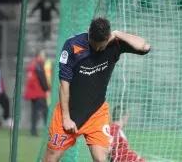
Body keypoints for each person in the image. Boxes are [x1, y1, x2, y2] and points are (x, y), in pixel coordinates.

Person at [42, 17, 151, 162]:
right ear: (88, 33)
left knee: (101, 159)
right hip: (69, 112)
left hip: (97, 113)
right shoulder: (73, 46)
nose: (99, 49)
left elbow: (145, 47)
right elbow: (63, 84)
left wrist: (118, 33)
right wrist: (66, 118)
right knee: (51, 157)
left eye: (102, 46)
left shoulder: (114, 43)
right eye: (95, 46)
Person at [24, 49, 51, 136]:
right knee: (45, 112)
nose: (44, 57)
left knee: (34, 112)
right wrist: (47, 90)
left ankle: (33, 131)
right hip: (38, 92)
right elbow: (42, 79)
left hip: (33, 93)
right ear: (39, 56)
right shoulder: (38, 65)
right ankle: (49, 131)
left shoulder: (33, 64)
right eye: (43, 55)